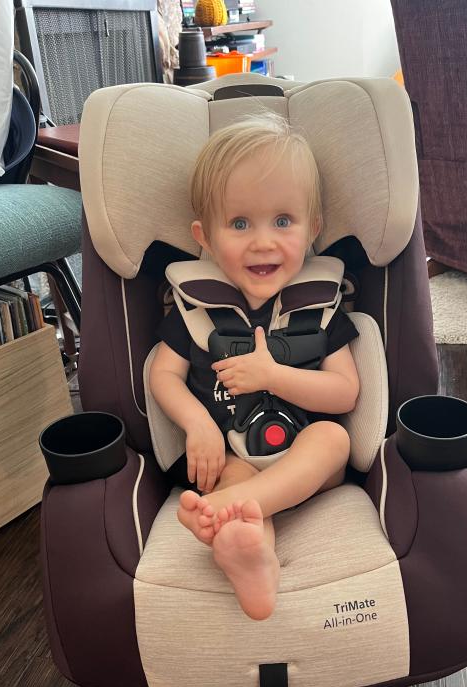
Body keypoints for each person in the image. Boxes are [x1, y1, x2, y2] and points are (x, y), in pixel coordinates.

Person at [149, 113, 360, 621]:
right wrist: (198, 424)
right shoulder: (197, 313)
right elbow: (162, 374)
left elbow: (346, 393)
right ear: (205, 236)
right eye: (240, 224)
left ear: (313, 229)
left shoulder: (319, 310)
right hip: (231, 455)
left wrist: (275, 377)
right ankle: (251, 554)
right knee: (238, 498)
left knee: (335, 439)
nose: (263, 241)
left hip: (307, 461)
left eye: (283, 222)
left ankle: (233, 510)